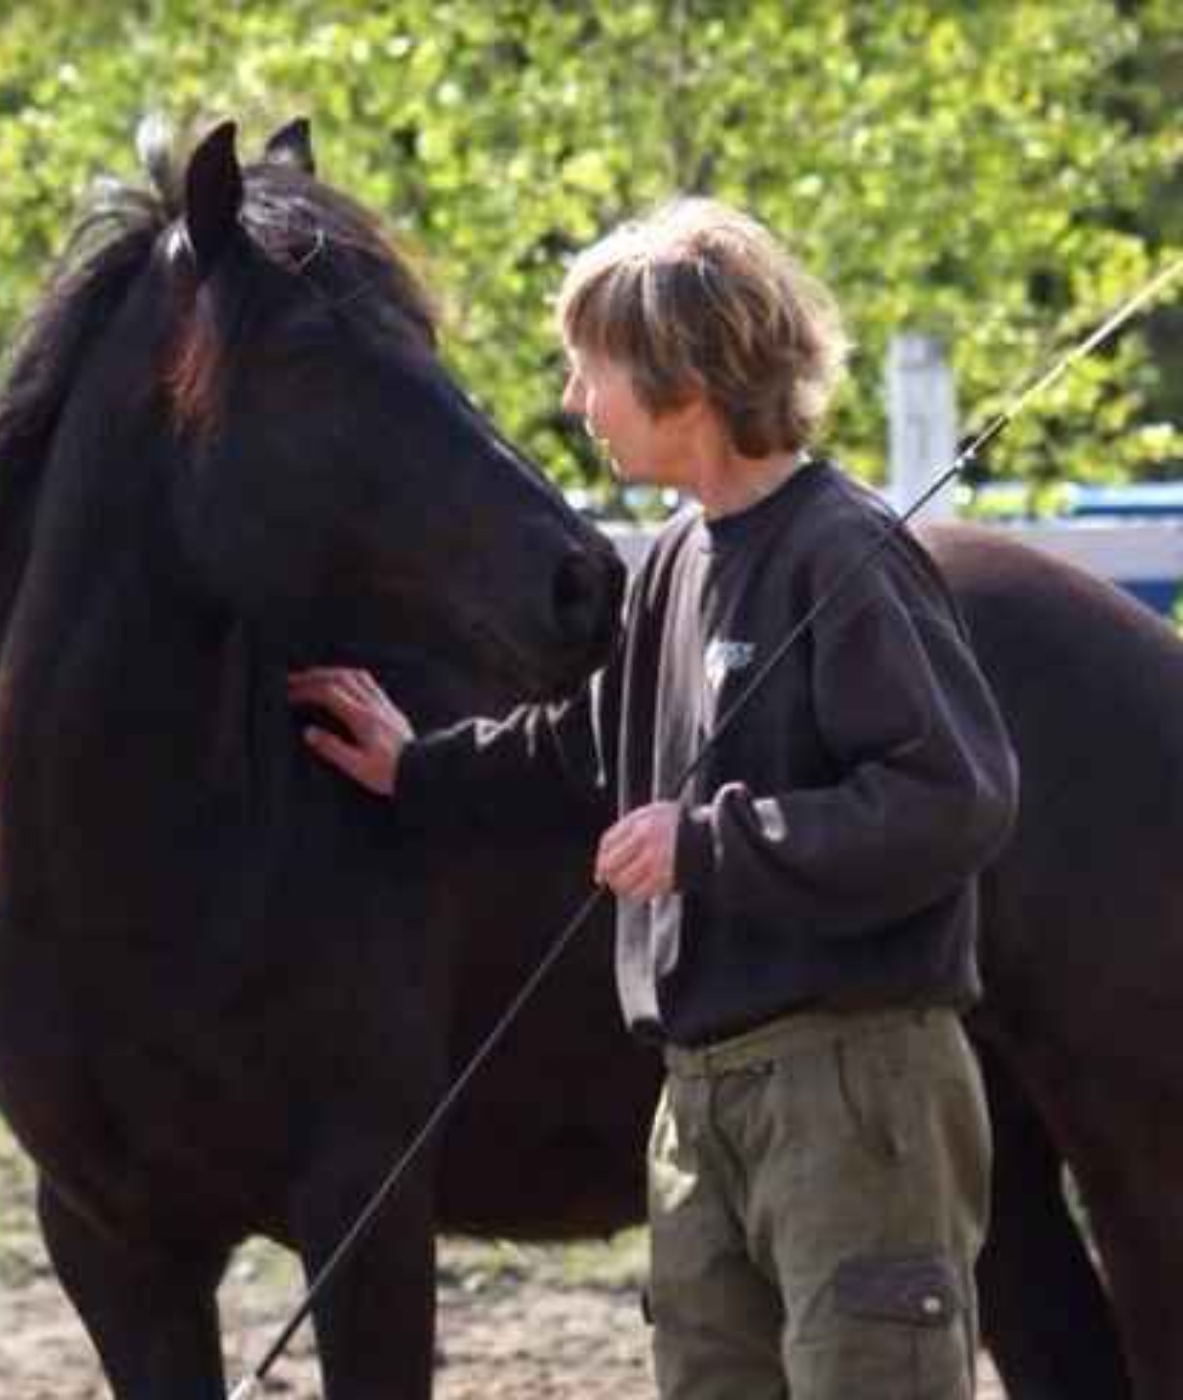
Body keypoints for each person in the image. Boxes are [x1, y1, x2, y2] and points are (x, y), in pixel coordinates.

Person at [287, 197, 1018, 1400]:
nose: (577, 403)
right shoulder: (675, 557)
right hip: (696, 1096)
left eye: (593, 371)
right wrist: (417, 768)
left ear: (684, 376)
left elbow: (952, 798)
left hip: (854, 1093)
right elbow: (590, 744)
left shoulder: (843, 553)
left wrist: (709, 845)